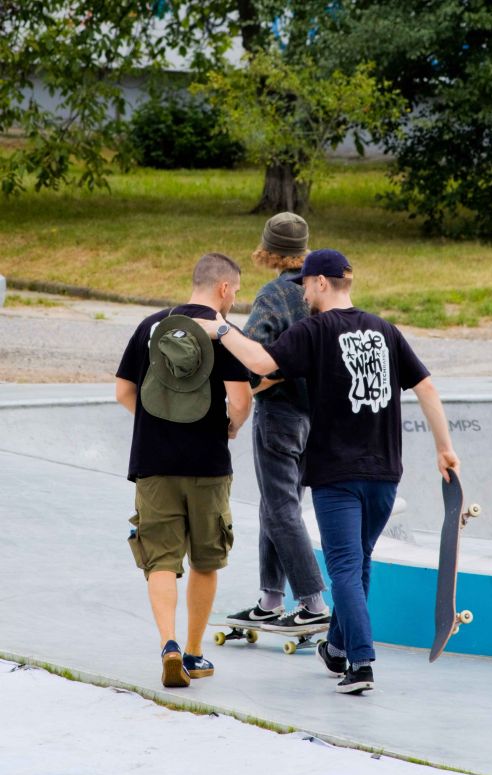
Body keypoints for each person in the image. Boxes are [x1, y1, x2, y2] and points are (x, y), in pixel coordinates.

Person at [195, 249, 460, 695]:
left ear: (320, 282)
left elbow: (261, 363)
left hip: (338, 474)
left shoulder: (313, 331)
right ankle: (338, 649)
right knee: (358, 563)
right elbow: (426, 386)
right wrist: (444, 448)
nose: (301, 294)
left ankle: (361, 663)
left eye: (304, 286)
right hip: (385, 474)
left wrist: (221, 330)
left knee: (342, 567)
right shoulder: (385, 329)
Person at [116, 253, 252, 688]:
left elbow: (123, 390)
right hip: (207, 464)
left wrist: (153, 425)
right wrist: (230, 426)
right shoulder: (222, 333)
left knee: (160, 559)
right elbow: (242, 400)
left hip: (153, 463)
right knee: (206, 560)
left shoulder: (151, 327)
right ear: (224, 289)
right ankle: (194, 653)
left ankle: (169, 645)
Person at [226, 213, 330, 633]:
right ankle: (270, 599)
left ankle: (313, 602)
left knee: (281, 508)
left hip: (281, 415)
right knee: (277, 504)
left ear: (268, 251)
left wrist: (251, 388)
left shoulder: (273, 295)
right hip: (318, 417)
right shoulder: (321, 291)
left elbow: (248, 354)